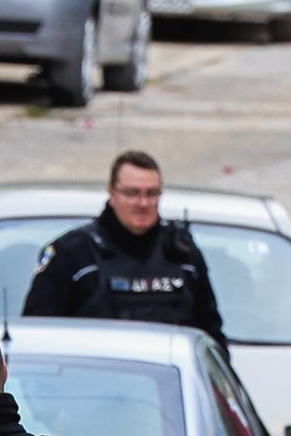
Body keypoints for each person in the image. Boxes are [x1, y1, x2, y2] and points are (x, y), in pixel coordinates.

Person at [23, 149, 226, 351]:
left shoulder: (183, 255)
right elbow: (37, 337)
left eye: (151, 193)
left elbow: (212, 339)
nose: (143, 203)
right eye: (132, 193)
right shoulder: (73, 254)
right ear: (111, 194)